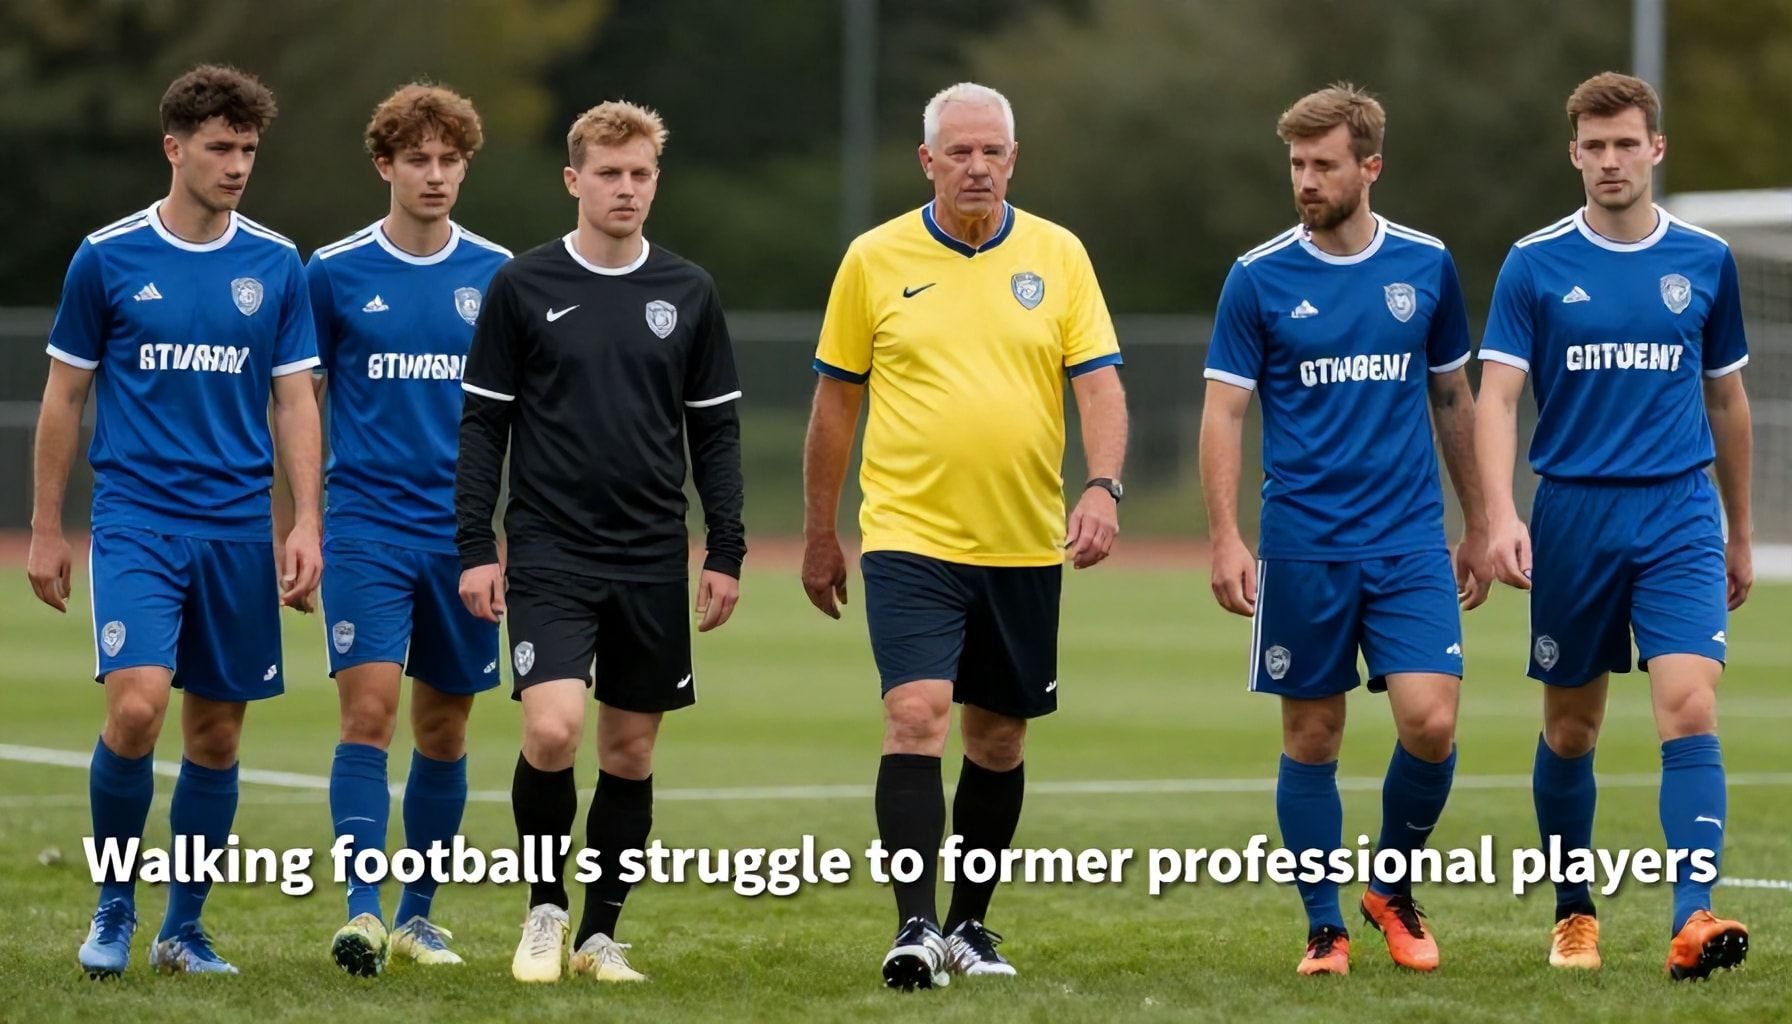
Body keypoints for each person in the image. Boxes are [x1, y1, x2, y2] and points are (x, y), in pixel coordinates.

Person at [802, 81, 1128, 990]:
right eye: (959, 152)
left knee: (997, 744)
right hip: (908, 536)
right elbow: (836, 402)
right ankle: (912, 929)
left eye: (992, 152)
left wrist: (1102, 486)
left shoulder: (1059, 256)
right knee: (916, 717)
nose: (977, 166)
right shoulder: (873, 259)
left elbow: (1099, 386)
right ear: (928, 161)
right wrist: (821, 533)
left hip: (1024, 542)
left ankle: (969, 927)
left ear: (1013, 160)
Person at [27, 64, 322, 978]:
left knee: (218, 736)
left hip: (237, 528)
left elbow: (296, 403)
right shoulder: (107, 256)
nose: (237, 165)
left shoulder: (275, 262)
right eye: (220, 148)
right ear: (175, 148)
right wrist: (45, 527)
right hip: (137, 519)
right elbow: (64, 396)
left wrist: (305, 520)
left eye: (248, 150)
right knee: (139, 706)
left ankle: (181, 929)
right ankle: (115, 905)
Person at [1200, 83, 1489, 977]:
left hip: (1406, 540)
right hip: (1302, 545)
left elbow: (1452, 396)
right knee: (1312, 737)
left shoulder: (1426, 265)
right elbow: (1224, 414)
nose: (1306, 180)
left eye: (1324, 164)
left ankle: (1390, 887)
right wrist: (1223, 534)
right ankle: (1325, 926)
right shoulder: (1257, 278)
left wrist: (1480, 521)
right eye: (1296, 164)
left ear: (1370, 167)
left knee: (1431, 722)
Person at [455, 100, 745, 984]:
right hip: (549, 549)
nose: (626, 188)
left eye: (641, 174)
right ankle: (544, 910)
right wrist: (476, 543)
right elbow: (483, 427)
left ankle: (597, 935)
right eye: (609, 173)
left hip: (652, 552)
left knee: (629, 752)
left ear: (656, 181)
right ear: (573, 180)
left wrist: (725, 549)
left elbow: (716, 435)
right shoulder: (524, 287)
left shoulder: (688, 291)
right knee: (552, 729)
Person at [1475, 71, 1753, 980]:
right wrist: (1499, 514)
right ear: (1573, 155)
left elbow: (1727, 400)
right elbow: (1499, 396)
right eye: (1592, 147)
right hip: (1572, 514)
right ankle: (1573, 913)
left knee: (1690, 705)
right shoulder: (1535, 263)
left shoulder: (1706, 261)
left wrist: (1739, 532)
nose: (1608, 161)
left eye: (1625, 143)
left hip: (1678, 510)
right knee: (1571, 731)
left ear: (1655, 149)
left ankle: (1693, 917)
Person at [291, 83, 511, 976]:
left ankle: (420, 915)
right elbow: (297, 402)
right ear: (384, 165)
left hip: (460, 538)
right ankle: (362, 913)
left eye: (449, 160)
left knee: (446, 730)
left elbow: (523, 415)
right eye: (416, 159)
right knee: (368, 714)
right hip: (366, 529)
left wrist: (508, 539)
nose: (434, 175)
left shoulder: (499, 274)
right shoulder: (332, 272)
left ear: (465, 166)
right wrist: (301, 524)